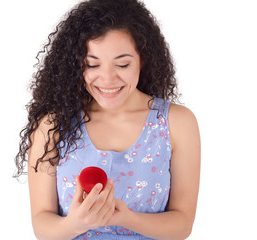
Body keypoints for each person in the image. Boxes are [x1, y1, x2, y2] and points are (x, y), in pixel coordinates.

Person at [14, 0, 201, 239]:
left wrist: (125, 218)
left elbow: (182, 224)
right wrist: (76, 223)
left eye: (122, 64)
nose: (107, 79)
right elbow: (42, 224)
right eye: (92, 64)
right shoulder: (53, 125)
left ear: (142, 59)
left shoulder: (176, 122)